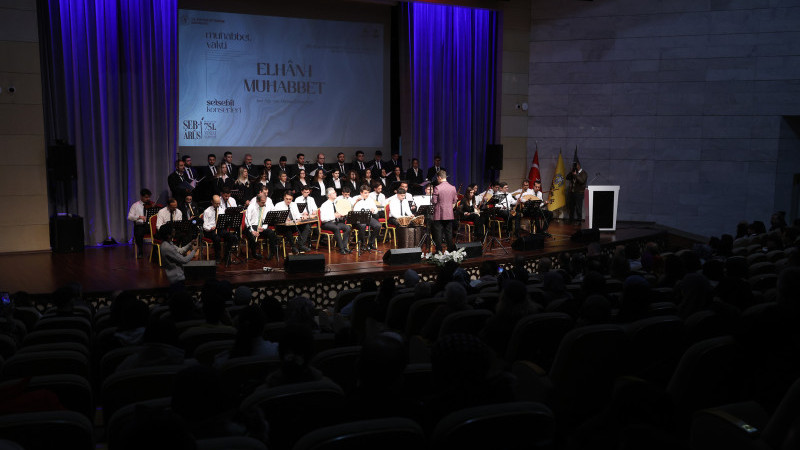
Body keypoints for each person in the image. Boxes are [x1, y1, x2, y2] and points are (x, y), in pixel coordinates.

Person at [202, 195, 237, 262]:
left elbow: (225, 221)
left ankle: (226, 256)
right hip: (210, 231)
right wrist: (210, 228)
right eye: (216, 203)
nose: (218, 205)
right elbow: (204, 226)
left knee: (230, 236)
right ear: (212, 202)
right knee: (216, 238)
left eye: (219, 203)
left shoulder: (221, 210)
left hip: (220, 229)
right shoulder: (207, 211)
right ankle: (217, 257)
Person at [244, 193, 277, 260]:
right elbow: (247, 220)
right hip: (251, 226)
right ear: (257, 201)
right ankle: (254, 253)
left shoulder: (264, 206)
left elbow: (265, 220)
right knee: (252, 236)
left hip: (260, 226)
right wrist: (252, 230)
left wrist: (263, 228)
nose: (264, 204)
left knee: (271, 233)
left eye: (265, 202)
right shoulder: (251, 206)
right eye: (262, 202)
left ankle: (272, 253)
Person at [319, 187, 352, 254]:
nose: (335, 193)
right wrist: (334, 216)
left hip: (335, 222)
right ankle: (341, 249)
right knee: (336, 228)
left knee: (347, 228)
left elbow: (338, 215)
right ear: (329, 196)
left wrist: (341, 216)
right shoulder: (325, 205)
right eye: (333, 193)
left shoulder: (336, 203)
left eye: (335, 192)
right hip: (326, 223)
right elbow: (323, 219)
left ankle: (345, 247)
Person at [432, 170, 458, 253]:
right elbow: (455, 201)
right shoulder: (453, 187)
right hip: (449, 214)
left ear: (439, 177)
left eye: (437, 178)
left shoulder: (437, 188)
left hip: (439, 214)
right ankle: (450, 251)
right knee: (449, 233)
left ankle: (439, 251)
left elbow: (434, 201)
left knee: (438, 234)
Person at [352, 185, 382, 251]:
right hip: (359, 218)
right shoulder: (356, 199)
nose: (367, 194)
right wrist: (356, 202)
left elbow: (376, 210)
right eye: (365, 193)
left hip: (368, 217)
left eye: (368, 192)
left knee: (378, 226)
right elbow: (354, 211)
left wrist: (373, 210)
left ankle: (370, 243)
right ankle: (362, 244)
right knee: (363, 225)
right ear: (361, 193)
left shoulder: (370, 200)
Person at [127, 188, 153, 258]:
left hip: (149, 225)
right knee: (138, 233)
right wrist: (139, 217)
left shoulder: (151, 205)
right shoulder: (135, 205)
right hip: (140, 225)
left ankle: (155, 252)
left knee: (158, 232)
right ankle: (140, 251)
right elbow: (129, 217)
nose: (148, 199)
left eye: (149, 197)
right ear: (141, 196)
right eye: (146, 197)